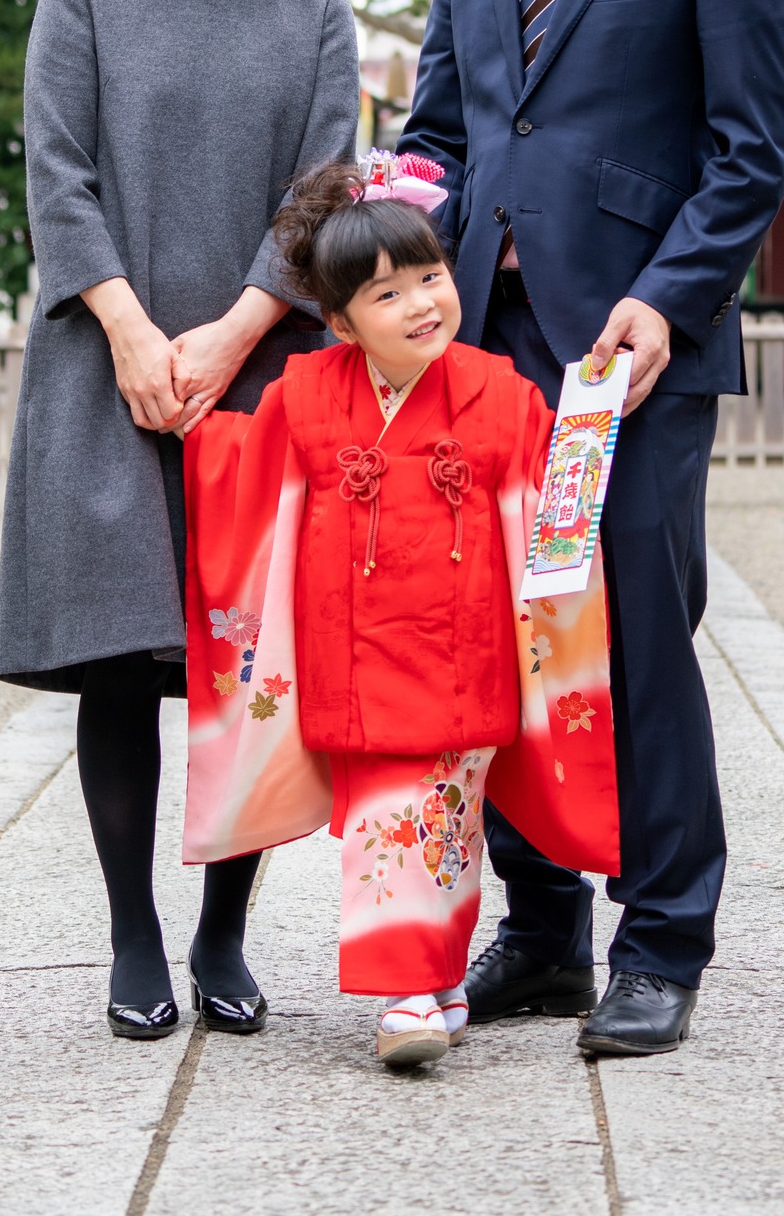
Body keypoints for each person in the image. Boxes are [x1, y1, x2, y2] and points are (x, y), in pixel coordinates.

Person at [400, 0, 784, 1056]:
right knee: (495, 645)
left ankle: (664, 932)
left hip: (630, 348)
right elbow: (442, 132)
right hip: (485, 341)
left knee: (633, 639)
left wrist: (666, 293)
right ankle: (543, 926)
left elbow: (751, 148)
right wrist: (391, 245)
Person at [0, 0, 360, 1042]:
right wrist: (139, 335)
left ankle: (222, 934)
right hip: (108, 366)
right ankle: (132, 931)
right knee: (116, 652)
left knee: (244, 660)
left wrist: (227, 335)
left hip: (261, 373)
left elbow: (325, 193)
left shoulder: (313, 8)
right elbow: (60, 177)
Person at [179, 153, 620, 1068]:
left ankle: (422, 984)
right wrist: (191, 431)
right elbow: (245, 470)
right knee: (407, 817)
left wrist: (584, 430)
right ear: (338, 322)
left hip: (467, 652)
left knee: (442, 818)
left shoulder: (501, 393)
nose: (422, 303)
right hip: (358, 659)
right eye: (387, 296)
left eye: (430, 277)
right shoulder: (307, 393)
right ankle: (423, 984)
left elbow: (553, 508)